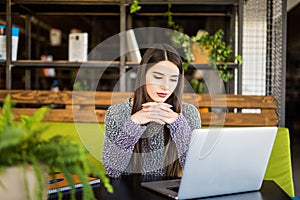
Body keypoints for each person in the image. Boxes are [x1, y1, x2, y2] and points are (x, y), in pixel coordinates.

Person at [102, 43, 201, 178]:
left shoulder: (189, 113)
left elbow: (196, 169)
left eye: (173, 79)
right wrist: (134, 122)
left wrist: (177, 124)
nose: (165, 87)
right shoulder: (116, 113)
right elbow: (112, 170)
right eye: (158, 77)